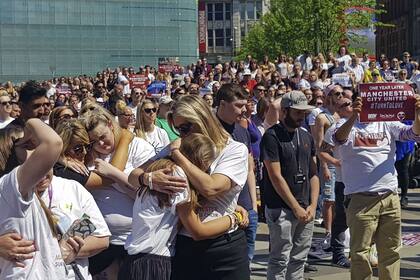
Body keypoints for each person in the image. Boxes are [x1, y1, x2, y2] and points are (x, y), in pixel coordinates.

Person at [129, 94, 250, 280]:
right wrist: (149, 178)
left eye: (185, 127)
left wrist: (177, 156)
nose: (183, 135)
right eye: (178, 130)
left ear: (202, 119)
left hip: (224, 247)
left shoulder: (233, 149)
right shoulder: (177, 147)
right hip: (185, 244)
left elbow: (210, 188)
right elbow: (133, 176)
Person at [332, 96, 420, 280]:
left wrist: (418, 114)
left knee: (391, 252)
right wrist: (354, 117)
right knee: (360, 254)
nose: (362, 105)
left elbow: (412, 134)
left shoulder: (386, 122)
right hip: (360, 200)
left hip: (389, 197)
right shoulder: (342, 124)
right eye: (353, 103)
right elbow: (338, 138)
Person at [0, 119, 83, 279]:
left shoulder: (70, 187)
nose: (37, 151)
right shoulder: (10, 185)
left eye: (37, 146)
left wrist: (61, 253)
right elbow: (53, 143)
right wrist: (30, 122)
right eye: (27, 146)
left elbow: (97, 229)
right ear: (8, 151)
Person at [81, 110, 156, 278]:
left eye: (103, 136)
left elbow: (150, 197)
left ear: (109, 124)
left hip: (139, 238)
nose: (101, 144)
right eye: (94, 141)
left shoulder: (138, 147)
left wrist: (113, 174)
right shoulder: (89, 157)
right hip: (105, 240)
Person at [261, 91, 319, 280]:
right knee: (280, 259)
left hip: (305, 206)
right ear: (284, 111)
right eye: (297, 112)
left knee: (299, 258)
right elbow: (275, 176)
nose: (302, 117)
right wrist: (295, 207)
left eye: (304, 113)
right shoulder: (272, 136)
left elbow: (313, 173)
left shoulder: (306, 136)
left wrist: (312, 205)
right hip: (281, 208)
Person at [37, 169, 111, 280]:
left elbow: (101, 238)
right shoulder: (8, 193)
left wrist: (63, 252)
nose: (41, 174)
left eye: (46, 165)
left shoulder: (72, 188)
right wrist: (54, 253)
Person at [215, 84, 259, 263]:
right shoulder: (211, 131)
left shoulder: (242, 131)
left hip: (247, 206)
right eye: (238, 105)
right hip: (223, 209)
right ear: (223, 104)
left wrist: (254, 206)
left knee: (246, 262)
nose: (244, 110)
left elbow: (249, 168)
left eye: (245, 105)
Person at [319, 98, 354, 268]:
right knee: (342, 219)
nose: (349, 106)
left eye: (350, 103)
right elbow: (322, 152)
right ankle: (338, 253)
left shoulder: (365, 125)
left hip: (364, 182)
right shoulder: (335, 128)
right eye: (344, 105)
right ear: (338, 110)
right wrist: (336, 162)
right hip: (344, 181)